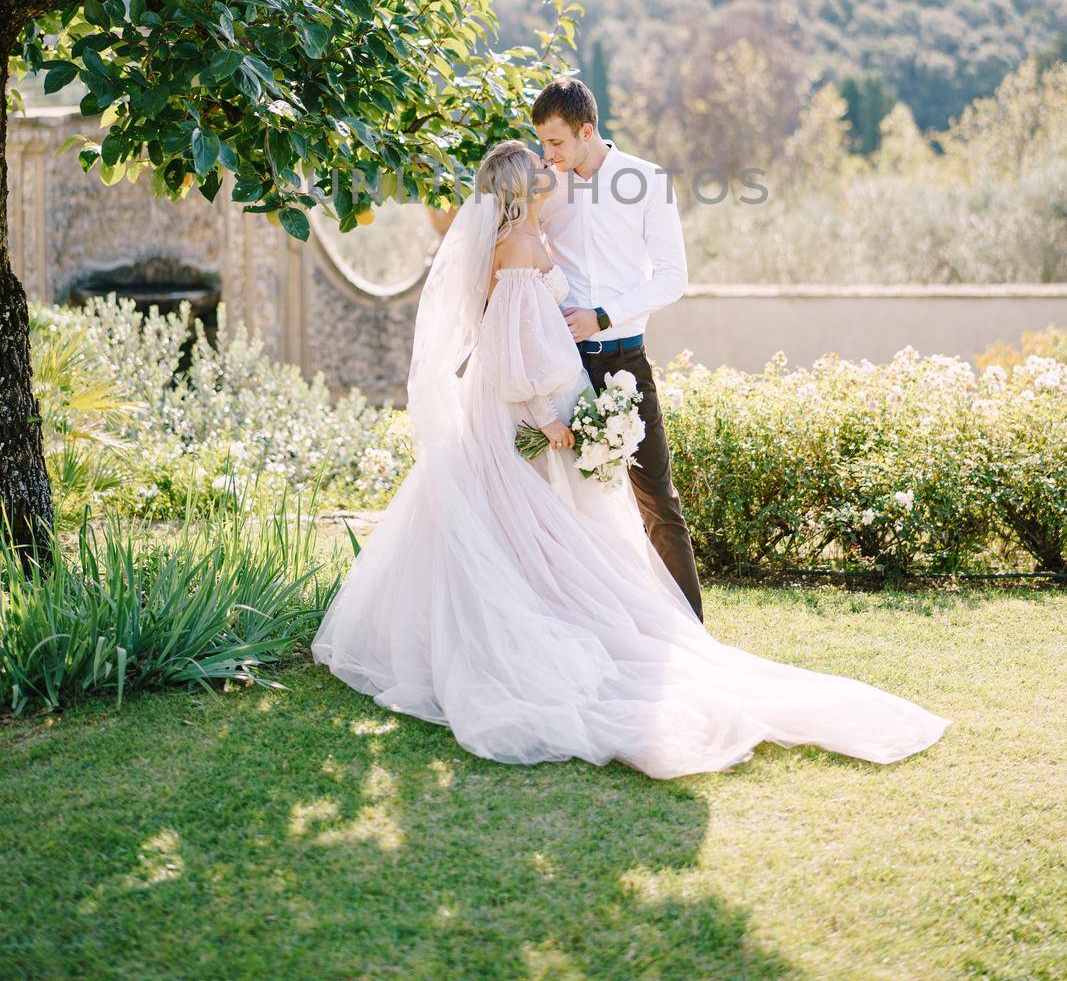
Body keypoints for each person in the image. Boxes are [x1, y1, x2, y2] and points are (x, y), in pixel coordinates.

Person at [311, 138, 951, 779]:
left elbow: (591, 295)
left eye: (551, 151)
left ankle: (594, 621)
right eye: (538, 165)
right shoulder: (518, 247)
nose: (548, 166)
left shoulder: (541, 232)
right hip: (528, 415)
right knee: (518, 529)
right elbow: (506, 349)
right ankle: (522, 635)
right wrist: (548, 419)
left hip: (559, 395)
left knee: (538, 530)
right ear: (521, 190)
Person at [532, 77, 703, 618]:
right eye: (542, 142)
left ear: (588, 131)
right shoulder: (545, 186)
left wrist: (601, 315)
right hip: (562, 366)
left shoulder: (647, 181)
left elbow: (673, 277)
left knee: (656, 497)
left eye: (557, 142)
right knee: (558, 498)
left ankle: (689, 628)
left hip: (625, 361)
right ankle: (570, 625)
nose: (548, 154)